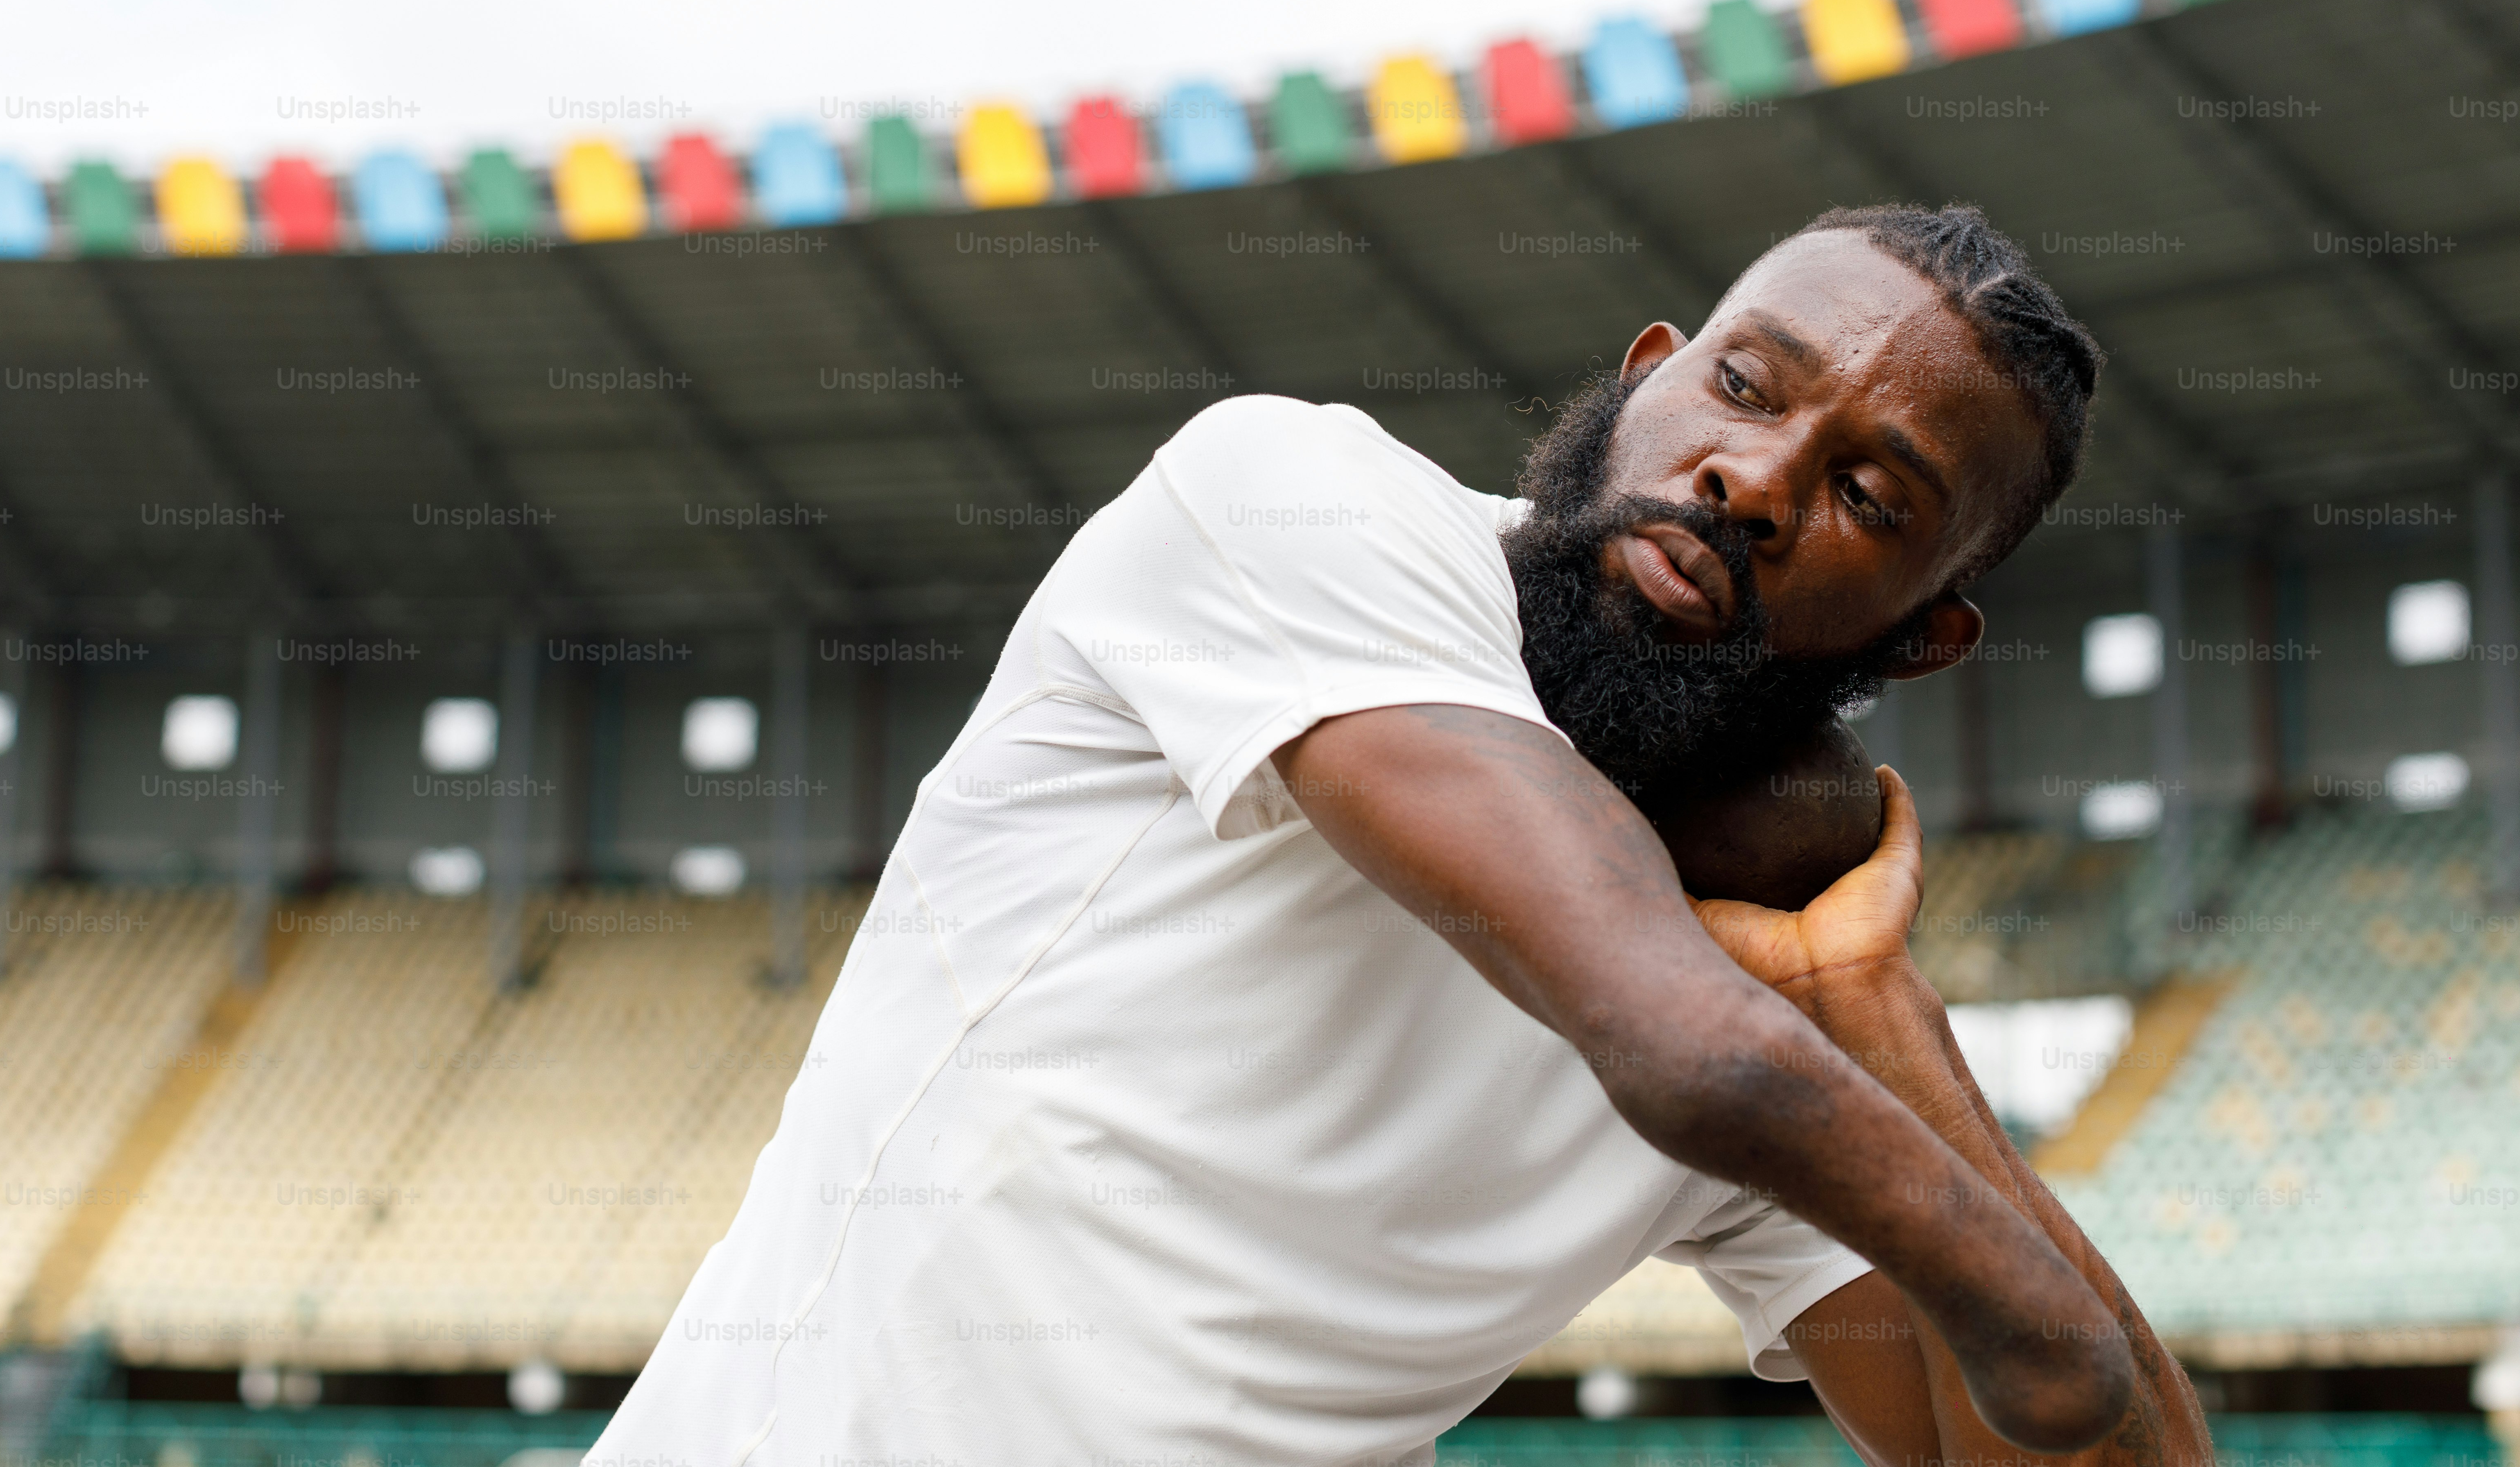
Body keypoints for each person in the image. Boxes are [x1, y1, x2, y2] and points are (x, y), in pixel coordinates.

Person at [591, 204, 2212, 1467]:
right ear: (1648, 366)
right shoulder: (1296, 505)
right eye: (1738, 384)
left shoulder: (1786, 1012)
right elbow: (1672, 1037)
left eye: (1872, 497)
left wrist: (1872, 1005)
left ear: (1921, 639)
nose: (1751, 477)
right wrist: (2040, 1328)